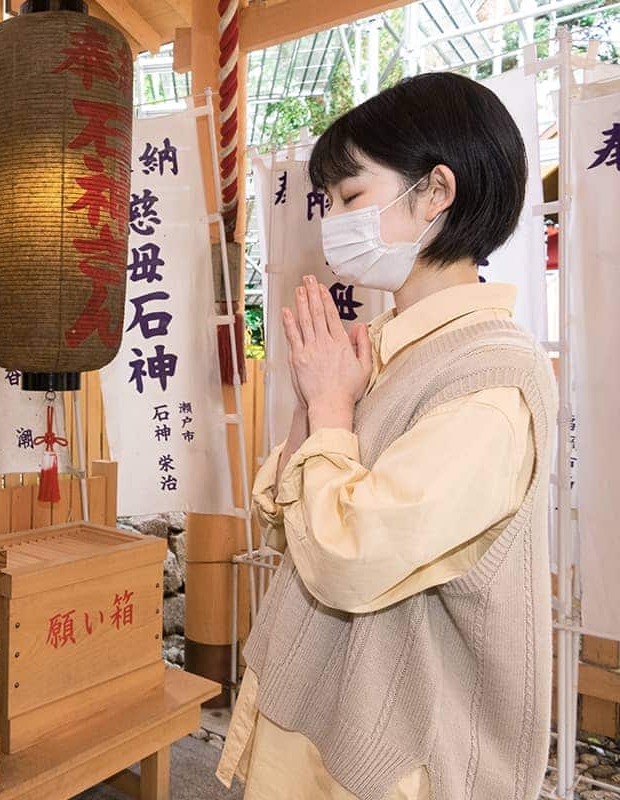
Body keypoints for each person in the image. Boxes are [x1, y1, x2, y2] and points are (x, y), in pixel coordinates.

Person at [214, 72, 557, 800]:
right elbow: (285, 512)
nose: (332, 220)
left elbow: (349, 556)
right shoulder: (389, 345)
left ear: (435, 193)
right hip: (320, 718)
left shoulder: (491, 378)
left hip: (390, 758)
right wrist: (319, 404)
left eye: (350, 197)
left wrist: (332, 409)